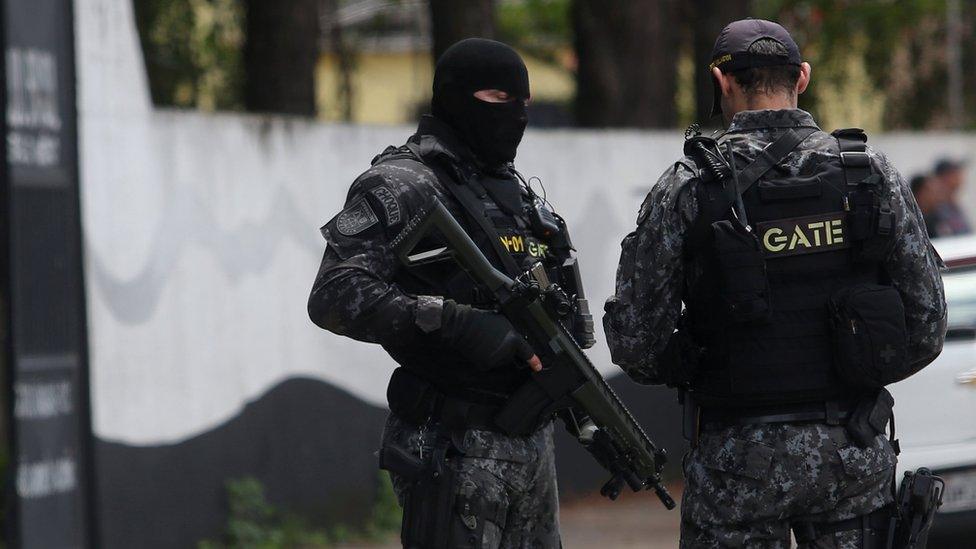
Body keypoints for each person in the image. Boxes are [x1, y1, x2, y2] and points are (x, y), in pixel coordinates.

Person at [604, 19, 947, 548]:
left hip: (735, 462)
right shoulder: (870, 173)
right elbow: (926, 325)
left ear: (721, 83)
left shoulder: (687, 186)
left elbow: (635, 344)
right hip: (852, 452)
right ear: (802, 78)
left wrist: (699, 363)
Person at [308, 38, 594, 548]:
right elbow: (335, 293)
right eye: (497, 99)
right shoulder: (403, 183)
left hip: (529, 445)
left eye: (524, 104)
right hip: (451, 444)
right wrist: (454, 321)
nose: (516, 116)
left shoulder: (517, 195)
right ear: (454, 97)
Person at [930, 158, 972, 237]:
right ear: (943, 177)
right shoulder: (935, 207)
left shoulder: (953, 204)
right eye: (954, 173)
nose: (960, 176)